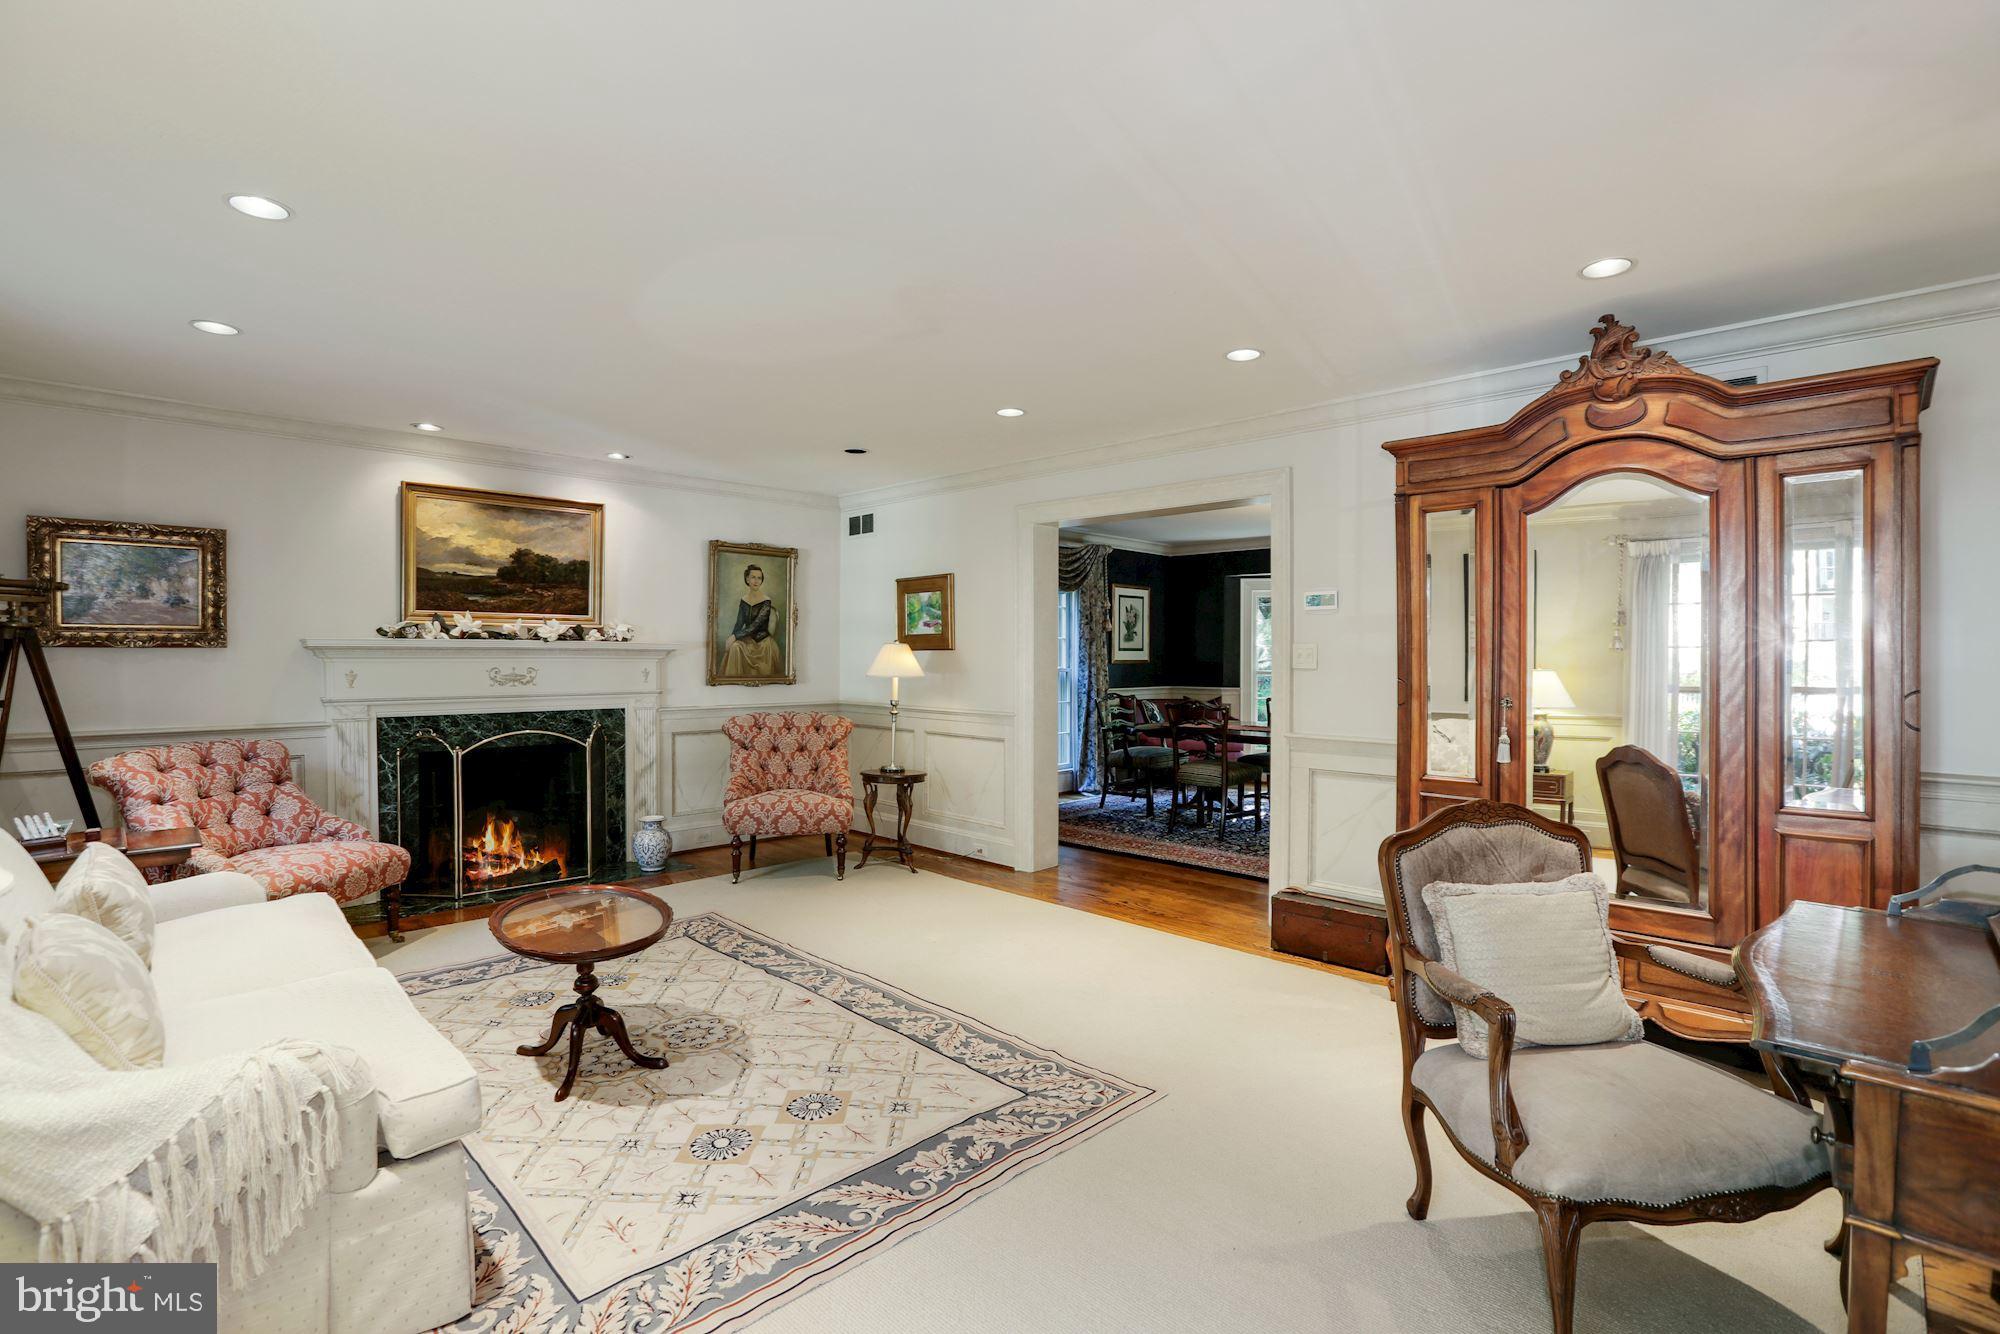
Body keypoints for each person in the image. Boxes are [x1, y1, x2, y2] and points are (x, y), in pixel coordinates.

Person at [719, 563, 782, 677]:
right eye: (753, 577)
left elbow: (756, 625)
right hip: (747, 640)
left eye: (759, 578)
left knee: (736, 643)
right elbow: (739, 624)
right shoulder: (744, 600)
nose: (756, 581)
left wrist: (735, 636)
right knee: (734, 647)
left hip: (762, 644)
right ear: (747, 579)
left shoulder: (766, 601)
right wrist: (731, 638)